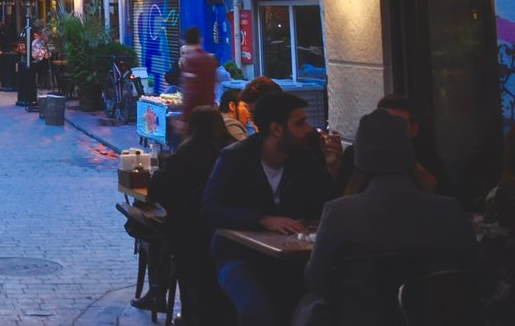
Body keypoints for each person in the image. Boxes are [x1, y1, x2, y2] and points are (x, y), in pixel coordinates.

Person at [296, 109, 481, 325]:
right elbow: (477, 276)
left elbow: (316, 280)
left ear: (360, 159)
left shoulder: (338, 214)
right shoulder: (448, 210)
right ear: (409, 155)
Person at [202, 91, 341, 326]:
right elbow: (210, 209)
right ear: (277, 129)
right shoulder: (236, 157)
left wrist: (332, 168)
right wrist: (263, 219)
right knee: (258, 310)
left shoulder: (303, 158)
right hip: (239, 255)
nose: (308, 129)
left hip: (288, 258)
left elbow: (324, 208)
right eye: (300, 123)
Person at [143, 106, 236, 320]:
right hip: (222, 232)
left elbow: (158, 188)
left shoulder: (187, 152)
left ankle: (160, 293)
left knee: (159, 230)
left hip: (190, 236)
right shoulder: (231, 152)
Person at [337, 95, 450, 196]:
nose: (390, 129)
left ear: (414, 129)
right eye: (384, 123)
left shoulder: (426, 156)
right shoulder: (354, 155)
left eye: (399, 124)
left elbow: (442, 192)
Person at [180, 26, 219, 112]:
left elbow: (190, 93)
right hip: (210, 109)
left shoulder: (190, 60)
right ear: (201, 40)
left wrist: (185, 114)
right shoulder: (210, 59)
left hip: (195, 112)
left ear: (184, 41)